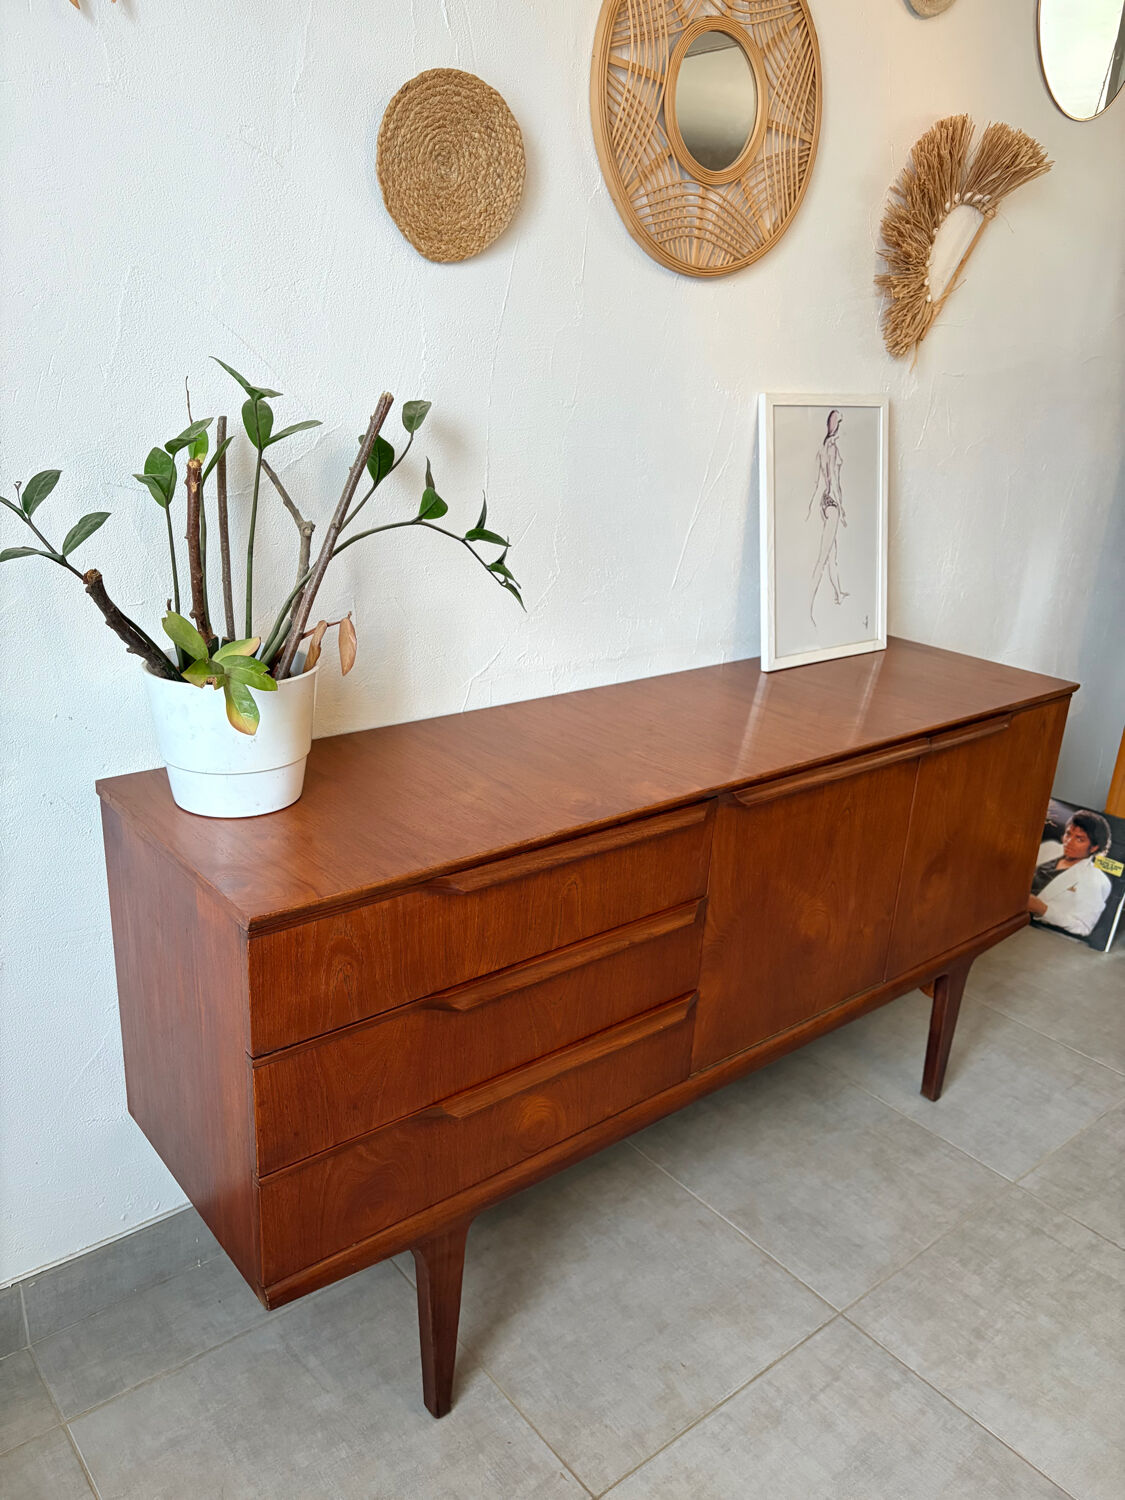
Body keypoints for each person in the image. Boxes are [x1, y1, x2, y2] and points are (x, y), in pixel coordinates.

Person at [1028, 809, 1113, 937]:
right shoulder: (1050, 847)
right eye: (1068, 834)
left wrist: (1043, 910)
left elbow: (1083, 927)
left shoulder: (1097, 880)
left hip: (1038, 932)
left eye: (1079, 839)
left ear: (1094, 847)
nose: (1068, 842)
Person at [806, 408, 848, 625]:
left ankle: (838, 593)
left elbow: (819, 480)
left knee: (832, 554)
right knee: (823, 557)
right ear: (836, 425)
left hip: (825, 503)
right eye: (840, 422)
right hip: (832, 504)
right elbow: (834, 480)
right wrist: (842, 510)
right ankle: (808, 608)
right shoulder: (832, 447)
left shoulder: (823, 446)